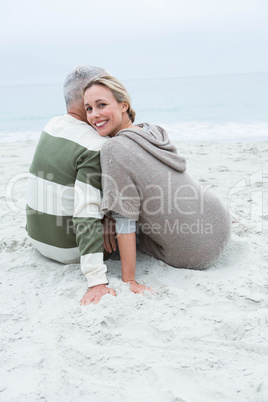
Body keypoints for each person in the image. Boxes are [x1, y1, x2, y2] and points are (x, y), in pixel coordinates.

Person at [83, 75, 231, 294]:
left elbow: (125, 220)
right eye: (88, 109)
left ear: (124, 105)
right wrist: (108, 214)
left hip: (195, 252)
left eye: (101, 105)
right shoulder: (152, 130)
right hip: (219, 222)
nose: (94, 115)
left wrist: (129, 279)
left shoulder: (113, 148)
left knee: (120, 235)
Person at [26, 65, 117, 305]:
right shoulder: (94, 144)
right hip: (68, 249)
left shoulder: (52, 125)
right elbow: (86, 213)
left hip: (38, 239)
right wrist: (97, 281)